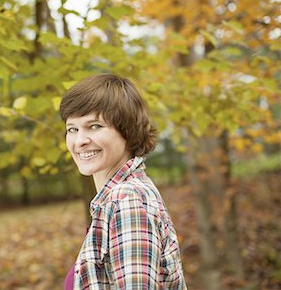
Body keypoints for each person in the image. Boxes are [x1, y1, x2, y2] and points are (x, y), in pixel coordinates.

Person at [60, 74, 187, 289]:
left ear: (127, 130)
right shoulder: (113, 199)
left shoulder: (127, 200)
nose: (80, 141)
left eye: (95, 126)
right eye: (73, 129)